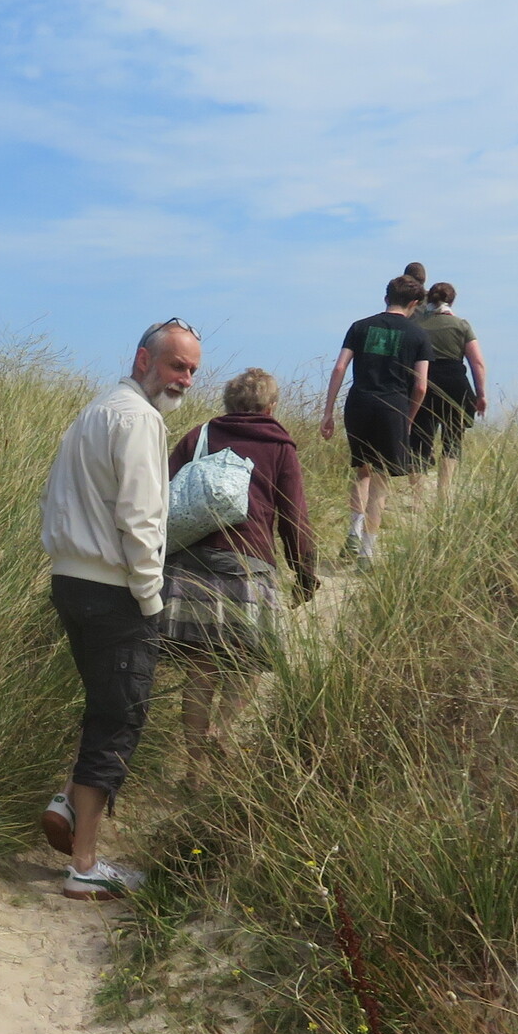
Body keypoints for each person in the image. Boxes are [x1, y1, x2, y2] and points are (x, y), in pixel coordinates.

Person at [35, 319, 202, 901]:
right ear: (143, 359)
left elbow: (54, 497)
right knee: (121, 718)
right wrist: (150, 597)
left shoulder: (93, 411)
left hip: (71, 580)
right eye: (177, 365)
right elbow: (142, 518)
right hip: (114, 591)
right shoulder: (139, 419)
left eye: (192, 370)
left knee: (105, 706)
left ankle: (68, 802)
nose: (185, 379)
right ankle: (84, 865)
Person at [161, 369, 316, 757]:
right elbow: (294, 517)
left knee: (200, 666)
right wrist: (305, 573)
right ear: (271, 407)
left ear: (228, 404)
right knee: (250, 660)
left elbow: (162, 493)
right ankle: (223, 730)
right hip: (249, 565)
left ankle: (194, 767)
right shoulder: (280, 446)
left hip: (191, 563)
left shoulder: (199, 436)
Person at [319, 274, 432, 561]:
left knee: (362, 470)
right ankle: (367, 552)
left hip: (359, 403)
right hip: (393, 406)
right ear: (415, 303)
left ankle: (353, 532)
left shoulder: (360, 326)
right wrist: (409, 418)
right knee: (381, 479)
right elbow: (421, 386)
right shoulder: (419, 335)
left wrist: (328, 411)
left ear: (386, 298)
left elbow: (339, 368)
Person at [410, 281, 488, 497]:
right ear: (452, 300)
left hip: (424, 383)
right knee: (452, 440)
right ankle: (444, 495)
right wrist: (481, 394)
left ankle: (417, 498)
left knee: (419, 441)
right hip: (455, 385)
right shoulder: (461, 325)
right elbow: (477, 363)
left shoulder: (417, 327)